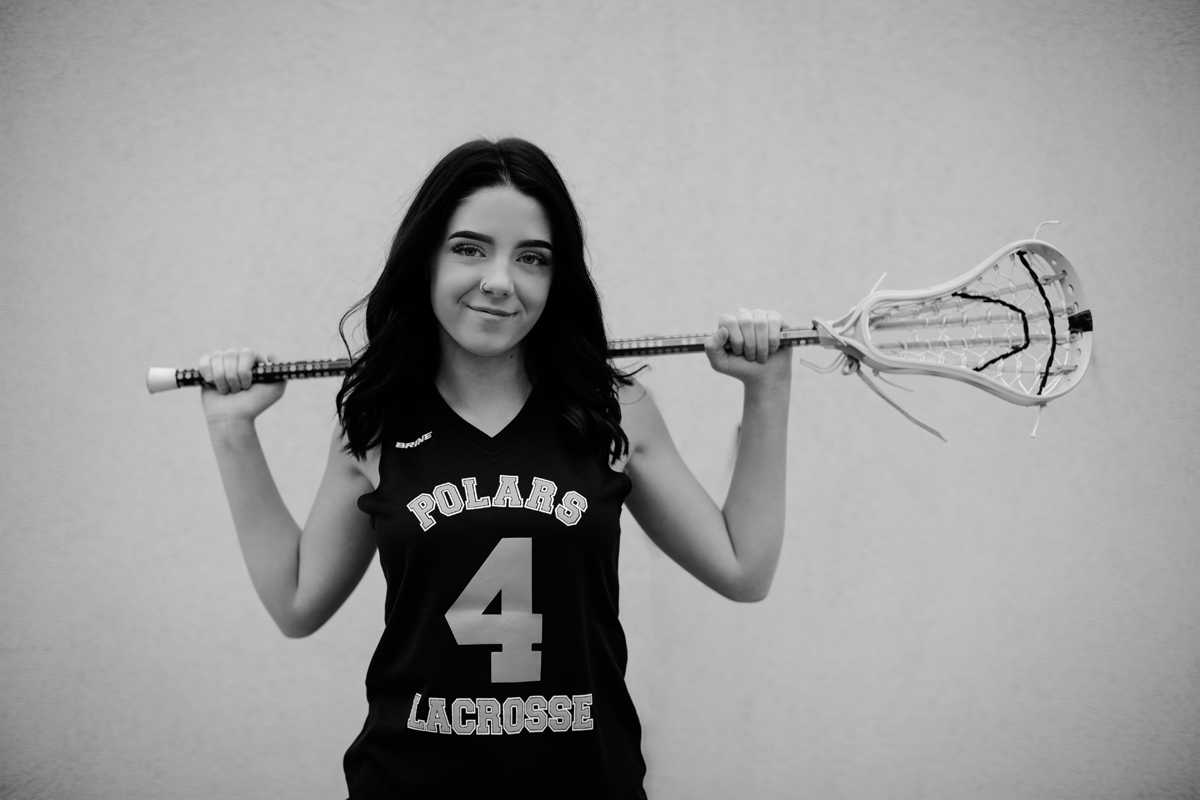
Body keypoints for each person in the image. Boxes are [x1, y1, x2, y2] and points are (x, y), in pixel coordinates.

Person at [198, 138, 792, 798]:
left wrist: (766, 389)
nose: (501, 280)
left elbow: (743, 570)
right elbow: (296, 603)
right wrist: (232, 430)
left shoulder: (615, 412)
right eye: (469, 248)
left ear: (557, 280)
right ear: (425, 259)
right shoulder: (376, 425)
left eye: (532, 258)